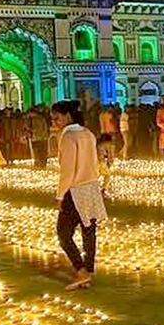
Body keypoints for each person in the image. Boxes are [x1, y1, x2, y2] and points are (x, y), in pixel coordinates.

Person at [52, 100, 106, 291]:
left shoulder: (68, 137)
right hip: (91, 188)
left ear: (67, 115)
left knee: (64, 234)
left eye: (56, 117)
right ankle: (88, 270)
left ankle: (81, 271)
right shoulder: (87, 133)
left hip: (74, 191)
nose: (55, 122)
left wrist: (60, 195)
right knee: (89, 231)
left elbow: (68, 170)